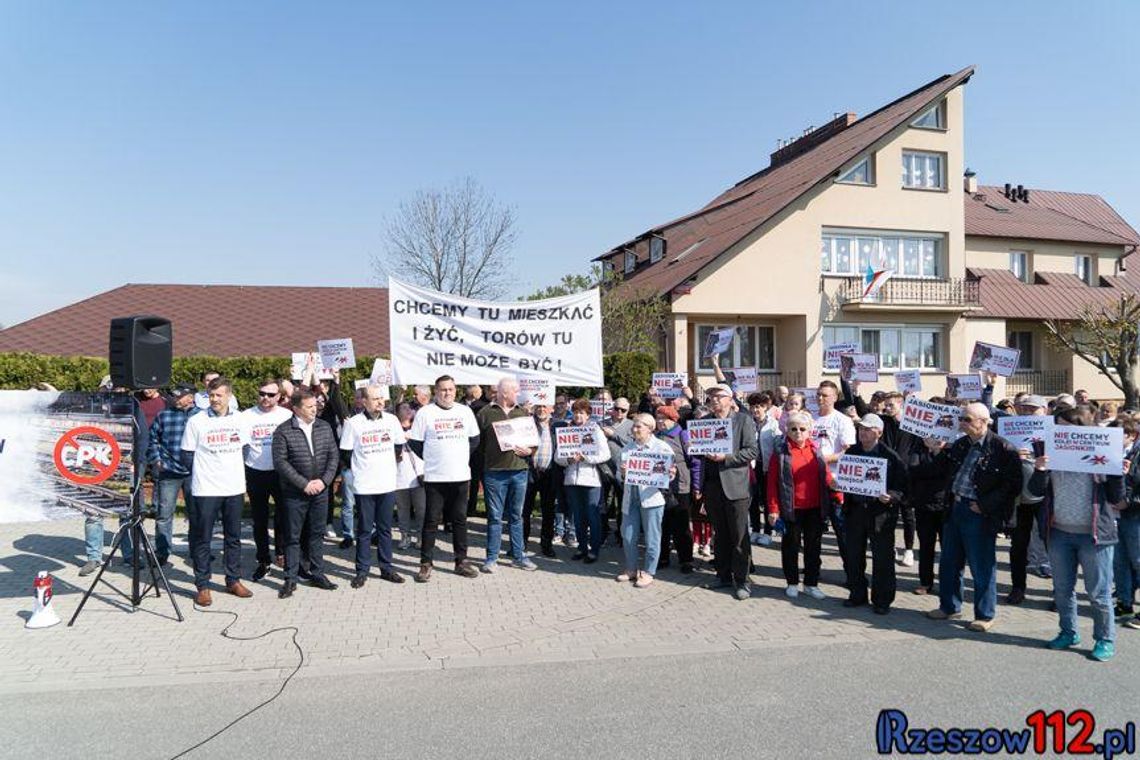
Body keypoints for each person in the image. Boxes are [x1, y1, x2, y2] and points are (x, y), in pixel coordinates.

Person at [1028, 405, 1126, 661]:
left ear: (1083, 430)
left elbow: (1117, 498)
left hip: (1094, 535)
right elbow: (1036, 491)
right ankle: (1068, 632)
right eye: (1057, 427)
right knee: (1062, 589)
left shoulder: (1102, 454)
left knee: (1099, 594)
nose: (1061, 432)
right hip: (1059, 532)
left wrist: (1117, 475)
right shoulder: (1051, 454)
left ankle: (1105, 639)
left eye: (1067, 428)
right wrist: (1039, 469)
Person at [920, 402, 1022, 632]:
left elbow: (1012, 486)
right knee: (949, 561)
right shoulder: (962, 444)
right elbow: (944, 470)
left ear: (984, 422)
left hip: (979, 514)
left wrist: (985, 506)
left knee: (982, 564)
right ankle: (949, 605)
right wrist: (935, 450)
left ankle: (985, 614)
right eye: (962, 419)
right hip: (956, 507)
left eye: (968, 420)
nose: (962, 424)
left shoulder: (1003, 449)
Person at [180, 377, 252, 606]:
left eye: (219, 395)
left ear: (229, 396)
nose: (214, 399)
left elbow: (245, 449)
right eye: (211, 395)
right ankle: (203, 585)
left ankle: (233, 580)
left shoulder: (241, 420)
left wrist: (229, 469)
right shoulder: (196, 421)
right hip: (206, 489)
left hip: (233, 487)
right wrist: (207, 471)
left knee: (233, 537)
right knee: (203, 538)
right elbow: (187, 454)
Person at [407, 375, 482, 582]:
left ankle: (461, 562)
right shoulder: (425, 413)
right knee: (431, 521)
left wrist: (460, 457)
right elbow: (415, 442)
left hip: (460, 476)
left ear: (455, 391)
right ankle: (425, 563)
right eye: (442, 390)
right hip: (435, 477)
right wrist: (433, 458)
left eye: (450, 389)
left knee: (459, 520)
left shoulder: (465, 412)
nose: (447, 393)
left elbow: (474, 440)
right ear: (435, 391)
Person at [272, 388, 341, 598]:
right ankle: (290, 579)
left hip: (320, 491)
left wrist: (324, 481)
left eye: (315, 405)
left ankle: (318, 573)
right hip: (295, 493)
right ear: (296, 409)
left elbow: (333, 456)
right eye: (309, 407)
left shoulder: (324, 426)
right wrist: (304, 484)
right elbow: (281, 463)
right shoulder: (284, 430)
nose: (315, 409)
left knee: (316, 534)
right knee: (292, 537)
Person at [767, 410, 841, 599]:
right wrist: (773, 509)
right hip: (791, 509)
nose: (798, 432)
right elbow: (772, 483)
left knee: (813, 548)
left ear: (809, 430)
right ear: (787, 431)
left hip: (815, 508)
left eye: (802, 429)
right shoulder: (780, 453)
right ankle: (792, 582)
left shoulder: (815, 451)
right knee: (790, 547)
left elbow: (825, 476)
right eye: (793, 429)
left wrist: (838, 492)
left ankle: (811, 583)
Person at [696, 383, 759, 600]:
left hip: (736, 486)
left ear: (730, 399)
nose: (714, 399)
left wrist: (727, 458)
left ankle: (742, 580)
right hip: (713, 486)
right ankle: (722, 576)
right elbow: (696, 449)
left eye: (718, 396)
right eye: (711, 396)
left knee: (739, 535)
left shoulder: (743, 420)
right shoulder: (704, 422)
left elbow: (752, 451)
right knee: (720, 533)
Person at [340, 384, 407, 588]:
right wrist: (362, 470)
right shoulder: (354, 423)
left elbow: (398, 445)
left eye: (382, 398)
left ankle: (386, 568)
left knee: (385, 529)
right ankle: (362, 570)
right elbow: (346, 452)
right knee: (364, 530)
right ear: (364, 401)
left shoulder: (392, 420)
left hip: (386, 483)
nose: (380, 402)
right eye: (375, 398)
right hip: (365, 485)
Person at [842, 414, 907, 614]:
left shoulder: (890, 456)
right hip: (855, 512)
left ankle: (882, 600)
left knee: (882, 559)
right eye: (861, 428)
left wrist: (892, 497)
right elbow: (846, 478)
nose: (863, 432)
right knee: (853, 556)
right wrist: (839, 484)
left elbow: (902, 487)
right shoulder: (852, 452)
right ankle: (857, 594)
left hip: (881, 515)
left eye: (868, 429)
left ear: (878, 432)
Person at [476, 377, 539, 573]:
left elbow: (534, 442)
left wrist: (530, 452)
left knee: (516, 516)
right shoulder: (485, 413)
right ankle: (491, 558)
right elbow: (477, 444)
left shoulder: (522, 413)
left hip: (519, 472)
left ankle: (519, 556)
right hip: (494, 474)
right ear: (504, 392)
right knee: (494, 517)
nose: (518, 394)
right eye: (515, 391)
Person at [243, 378, 293, 581]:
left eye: (270, 395)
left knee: (284, 516)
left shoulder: (287, 415)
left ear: (279, 397)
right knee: (259, 519)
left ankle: (282, 553)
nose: (265, 398)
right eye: (262, 393)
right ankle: (263, 560)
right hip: (255, 470)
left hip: (281, 471)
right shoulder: (246, 416)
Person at [617, 413, 675, 587]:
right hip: (631, 497)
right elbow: (621, 475)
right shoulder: (628, 448)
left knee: (652, 537)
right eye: (633, 426)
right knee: (628, 536)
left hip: (651, 498)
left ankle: (649, 571)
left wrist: (671, 473)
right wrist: (623, 472)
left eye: (638, 426)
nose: (634, 429)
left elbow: (669, 474)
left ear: (650, 429)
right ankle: (631, 569)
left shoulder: (662, 448)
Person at [146, 383, 198, 570]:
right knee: (163, 515)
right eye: (174, 396)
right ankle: (162, 554)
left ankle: (197, 552)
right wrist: (157, 460)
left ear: (190, 397)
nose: (174, 399)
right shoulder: (164, 415)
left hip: (195, 473)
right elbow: (152, 440)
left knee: (196, 514)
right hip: (168, 472)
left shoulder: (202, 416)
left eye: (179, 396)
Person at [554, 399, 611, 563]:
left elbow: (605, 454)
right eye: (576, 412)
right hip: (572, 480)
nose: (578, 415)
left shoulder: (595, 430)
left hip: (591, 479)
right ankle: (581, 547)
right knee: (578, 517)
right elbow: (558, 457)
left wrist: (586, 457)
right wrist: (569, 460)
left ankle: (594, 549)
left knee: (592, 515)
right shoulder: (567, 430)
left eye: (582, 413)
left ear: (588, 415)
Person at [1006, 394, 1049, 605]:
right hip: (1019, 499)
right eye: (1024, 409)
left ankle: (1059, 594)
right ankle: (1017, 588)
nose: (1027, 412)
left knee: (1051, 546)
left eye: (1033, 409)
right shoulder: (1010, 432)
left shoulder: (1053, 433)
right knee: (1018, 547)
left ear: (1045, 410)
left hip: (1044, 499)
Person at [655, 406, 694, 573]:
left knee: (681, 525)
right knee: (662, 524)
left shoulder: (682, 435)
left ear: (673, 419)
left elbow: (694, 461)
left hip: (681, 486)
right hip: (660, 487)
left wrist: (696, 485)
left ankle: (686, 560)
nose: (660, 421)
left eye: (663, 418)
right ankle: (663, 557)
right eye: (658, 418)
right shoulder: (656, 436)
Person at [524, 402, 559, 558]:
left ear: (551, 408)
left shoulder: (559, 426)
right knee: (524, 511)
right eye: (539, 406)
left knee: (548, 511)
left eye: (545, 406)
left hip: (550, 474)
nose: (542, 409)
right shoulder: (527, 424)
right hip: (530, 472)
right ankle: (521, 543)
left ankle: (546, 544)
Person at [747, 391, 781, 547]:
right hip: (752, 467)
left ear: (766, 407)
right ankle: (755, 528)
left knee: (768, 500)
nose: (756, 410)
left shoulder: (774, 424)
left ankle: (768, 531)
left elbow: (778, 446)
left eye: (759, 406)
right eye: (753, 407)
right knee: (753, 499)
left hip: (768, 467)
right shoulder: (747, 423)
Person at [393, 402, 425, 550]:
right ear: (397, 412)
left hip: (418, 475)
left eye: (410, 408)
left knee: (421, 509)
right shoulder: (393, 429)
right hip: (399, 476)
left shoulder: (417, 429)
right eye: (404, 408)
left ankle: (420, 536)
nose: (409, 410)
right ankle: (405, 536)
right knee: (403, 509)